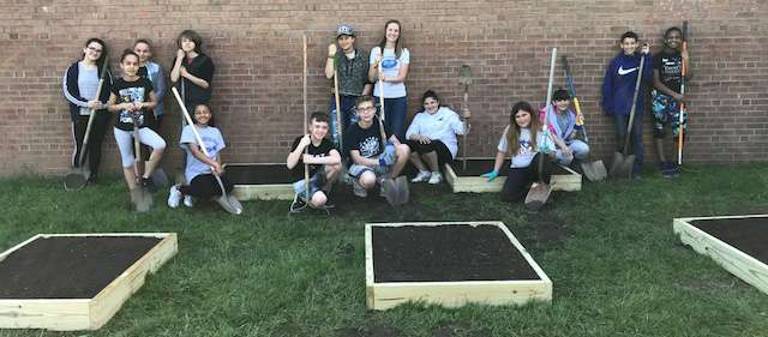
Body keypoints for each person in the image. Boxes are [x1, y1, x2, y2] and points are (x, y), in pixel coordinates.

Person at [107, 49, 166, 193]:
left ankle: (145, 177)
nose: (131, 67)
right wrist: (122, 105)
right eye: (128, 63)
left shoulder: (145, 82)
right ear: (122, 65)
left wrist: (143, 104)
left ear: (139, 66)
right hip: (122, 128)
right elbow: (110, 106)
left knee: (160, 145)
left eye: (135, 64)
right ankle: (135, 192)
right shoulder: (118, 84)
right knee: (127, 161)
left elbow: (154, 102)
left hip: (141, 126)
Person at [601, 31, 653, 178]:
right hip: (619, 106)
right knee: (621, 135)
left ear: (636, 44)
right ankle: (620, 167)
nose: (629, 46)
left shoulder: (641, 60)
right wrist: (608, 105)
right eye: (626, 43)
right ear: (621, 45)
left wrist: (647, 57)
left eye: (632, 43)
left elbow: (648, 78)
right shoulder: (616, 62)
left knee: (636, 136)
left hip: (636, 106)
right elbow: (608, 85)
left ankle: (636, 169)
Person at [168, 104, 237, 212]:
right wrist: (214, 164)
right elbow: (195, 152)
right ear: (194, 116)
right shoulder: (189, 129)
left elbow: (217, 153)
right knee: (205, 190)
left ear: (210, 115)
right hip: (196, 173)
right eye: (198, 113)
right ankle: (180, 189)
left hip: (211, 172)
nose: (202, 115)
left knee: (229, 186)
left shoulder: (215, 132)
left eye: (205, 112)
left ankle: (192, 191)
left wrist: (218, 167)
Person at [482, 101, 554, 202]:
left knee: (542, 157)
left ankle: (542, 187)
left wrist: (547, 150)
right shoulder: (510, 129)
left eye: (524, 115)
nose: (521, 119)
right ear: (514, 119)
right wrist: (495, 171)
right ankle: (531, 190)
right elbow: (501, 151)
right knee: (507, 196)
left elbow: (552, 155)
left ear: (531, 114)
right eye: (518, 116)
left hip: (535, 169)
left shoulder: (541, 129)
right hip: (518, 168)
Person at [62, 38, 113, 183]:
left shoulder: (104, 71)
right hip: (81, 115)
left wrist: (101, 105)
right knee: (80, 144)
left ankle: (93, 176)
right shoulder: (73, 69)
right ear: (85, 49)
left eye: (98, 50)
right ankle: (77, 173)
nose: (94, 52)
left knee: (96, 145)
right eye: (92, 48)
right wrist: (87, 103)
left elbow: (111, 94)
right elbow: (68, 93)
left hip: (99, 115)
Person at [344, 96, 410, 198]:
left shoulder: (380, 124)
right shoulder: (352, 130)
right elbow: (357, 159)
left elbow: (394, 140)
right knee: (369, 180)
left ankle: (388, 181)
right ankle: (358, 183)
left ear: (374, 110)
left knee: (404, 149)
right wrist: (380, 162)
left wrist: (392, 147)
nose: (366, 112)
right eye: (362, 109)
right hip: (361, 165)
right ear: (357, 112)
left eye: (369, 108)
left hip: (379, 159)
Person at [406, 90, 470, 184]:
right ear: (423, 105)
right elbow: (409, 134)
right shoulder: (420, 117)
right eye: (426, 104)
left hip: (446, 150)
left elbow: (462, 131)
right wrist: (418, 137)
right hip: (426, 148)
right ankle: (424, 172)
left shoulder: (448, 114)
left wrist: (466, 119)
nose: (430, 106)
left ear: (438, 102)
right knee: (408, 145)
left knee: (430, 143)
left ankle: (436, 174)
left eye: (432, 102)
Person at [651, 26, 691, 178]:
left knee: (679, 130)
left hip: (677, 100)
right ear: (665, 40)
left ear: (681, 40)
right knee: (659, 130)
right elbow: (656, 82)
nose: (674, 40)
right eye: (671, 37)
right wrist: (674, 95)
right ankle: (663, 163)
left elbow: (688, 77)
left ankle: (674, 162)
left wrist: (686, 59)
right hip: (660, 98)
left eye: (677, 37)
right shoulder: (658, 57)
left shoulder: (682, 56)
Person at [324, 24, 371, 146]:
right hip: (338, 99)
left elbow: (368, 80)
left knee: (354, 133)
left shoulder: (363, 56)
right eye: (341, 39)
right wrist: (331, 55)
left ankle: (353, 162)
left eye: (346, 38)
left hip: (356, 99)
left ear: (353, 39)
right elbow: (329, 74)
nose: (344, 41)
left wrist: (362, 100)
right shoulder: (336, 56)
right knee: (337, 135)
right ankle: (340, 161)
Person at [286, 112, 342, 211]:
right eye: (317, 126)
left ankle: (323, 192)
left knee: (337, 166)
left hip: (318, 178)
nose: (320, 130)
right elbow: (290, 165)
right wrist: (302, 145)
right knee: (320, 201)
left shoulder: (327, 143)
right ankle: (302, 199)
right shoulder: (301, 140)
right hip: (302, 181)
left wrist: (312, 159)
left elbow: (337, 159)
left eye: (324, 127)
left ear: (328, 129)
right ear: (310, 127)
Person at [368, 19, 410, 141]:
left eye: (396, 30)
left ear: (399, 33)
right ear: (385, 32)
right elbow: (371, 77)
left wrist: (386, 78)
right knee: (381, 131)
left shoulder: (403, 52)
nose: (393, 33)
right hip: (380, 96)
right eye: (390, 30)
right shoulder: (376, 51)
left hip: (398, 98)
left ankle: (396, 159)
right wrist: (376, 64)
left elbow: (402, 77)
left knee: (396, 132)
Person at [539, 89, 590, 167]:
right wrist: (564, 147)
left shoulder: (571, 116)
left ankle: (574, 165)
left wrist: (577, 124)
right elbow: (551, 134)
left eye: (565, 100)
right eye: (559, 100)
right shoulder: (545, 113)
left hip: (565, 143)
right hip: (551, 145)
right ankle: (558, 169)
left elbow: (570, 138)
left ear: (569, 101)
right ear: (554, 102)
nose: (563, 103)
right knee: (568, 157)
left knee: (584, 149)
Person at [170, 30, 215, 117]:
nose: (187, 43)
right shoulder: (179, 59)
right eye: (184, 41)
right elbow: (174, 78)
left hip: (200, 100)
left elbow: (205, 84)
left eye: (190, 41)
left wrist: (186, 75)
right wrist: (179, 58)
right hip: (184, 100)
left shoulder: (204, 60)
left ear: (195, 43)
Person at [134, 39, 168, 129]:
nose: (141, 54)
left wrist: (150, 104)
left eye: (145, 51)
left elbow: (162, 89)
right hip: (133, 111)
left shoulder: (156, 68)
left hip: (153, 111)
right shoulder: (129, 68)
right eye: (138, 51)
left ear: (150, 53)